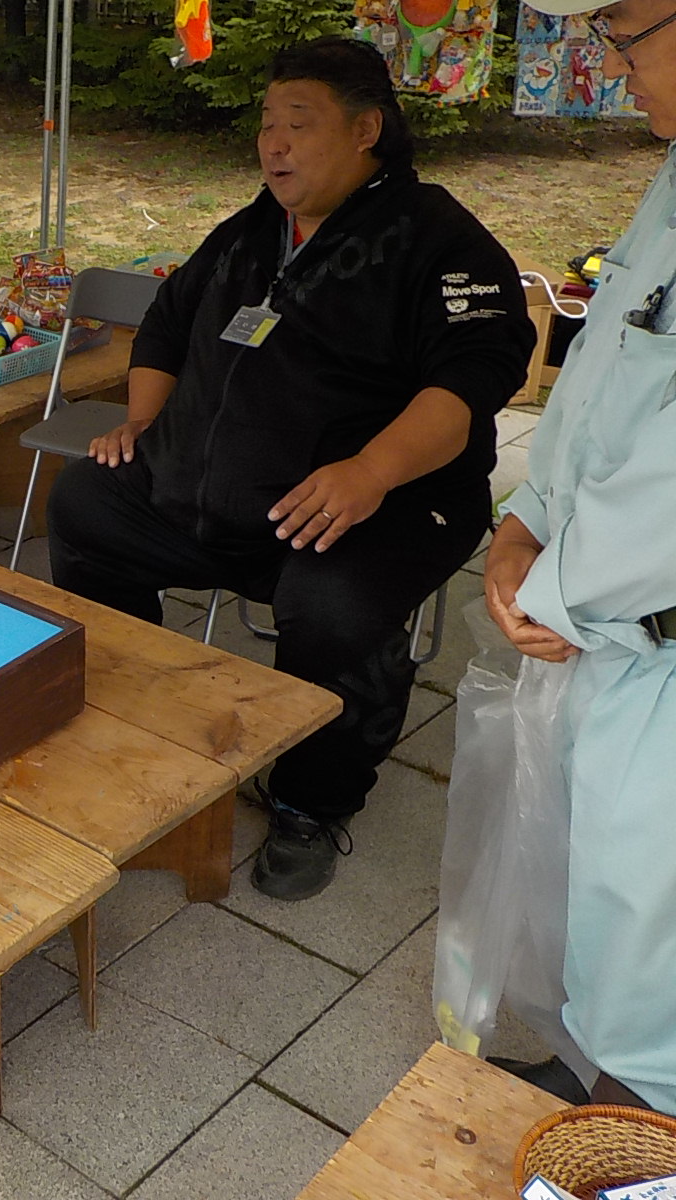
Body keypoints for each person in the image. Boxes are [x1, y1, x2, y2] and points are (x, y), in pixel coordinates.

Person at [45, 36, 536, 901]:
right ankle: (140, 719)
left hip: (375, 505)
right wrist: (145, 424)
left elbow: (474, 380)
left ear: (366, 130)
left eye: (298, 124)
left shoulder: (439, 240)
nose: (273, 144)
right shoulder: (251, 231)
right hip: (206, 495)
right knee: (87, 502)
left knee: (334, 606)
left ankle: (312, 802)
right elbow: (166, 322)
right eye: (267, 124)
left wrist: (372, 470)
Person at [479, 0, 676, 1114]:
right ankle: (595, 1071)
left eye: (624, 27)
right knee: (603, 889)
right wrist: (525, 521)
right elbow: (603, 370)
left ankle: (633, 1134)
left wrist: (549, 587)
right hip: (610, 628)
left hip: (642, 622)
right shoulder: (672, 172)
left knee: (653, 925)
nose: (606, 59)